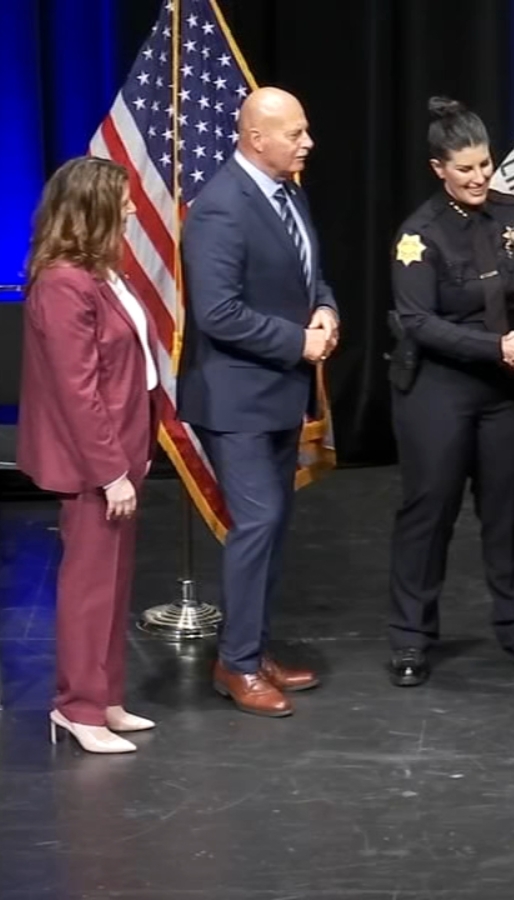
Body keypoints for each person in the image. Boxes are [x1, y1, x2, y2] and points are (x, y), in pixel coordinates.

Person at [384, 97, 514, 687]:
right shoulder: (419, 234)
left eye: (485, 165)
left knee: (511, 509)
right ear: (438, 168)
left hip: (504, 389)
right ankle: (412, 637)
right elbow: (417, 321)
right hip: (439, 388)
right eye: (464, 168)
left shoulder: (513, 213)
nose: (478, 178)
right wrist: (498, 348)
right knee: (430, 510)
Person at [178, 86, 337, 717]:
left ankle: (252, 646)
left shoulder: (287, 191)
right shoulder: (220, 208)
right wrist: (299, 341)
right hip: (235, 399)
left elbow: (308, 271)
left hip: (280, 392)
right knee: (257, 524)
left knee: (275, 526)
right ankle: (236, 664)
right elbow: (217, 313)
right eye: (295, 134)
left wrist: (325, 308)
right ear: (255, 138)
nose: (307, 143)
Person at [17, 156, 159, 754]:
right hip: (95, 463)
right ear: (92, 208)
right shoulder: (62, 285)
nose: (131, 208)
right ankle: (77, 708)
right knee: (89, 585)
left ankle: (106, 698)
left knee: (114, 581)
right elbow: (79, 392)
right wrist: (111, 472)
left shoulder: (101, 274)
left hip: (126, 449)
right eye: (122, 200)